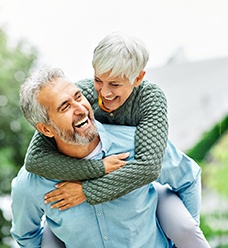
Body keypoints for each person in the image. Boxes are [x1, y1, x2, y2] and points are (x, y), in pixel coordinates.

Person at [23, 32, 209, 247]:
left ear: (138, 79)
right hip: (99, 185)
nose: (104, 92)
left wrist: (86, 191)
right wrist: (99, 168)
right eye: (98, 80)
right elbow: (35, 160)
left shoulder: (150, 98)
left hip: (146, 186)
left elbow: (148, 167)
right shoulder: (83, 95)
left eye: (115, 84)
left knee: (186, 229)